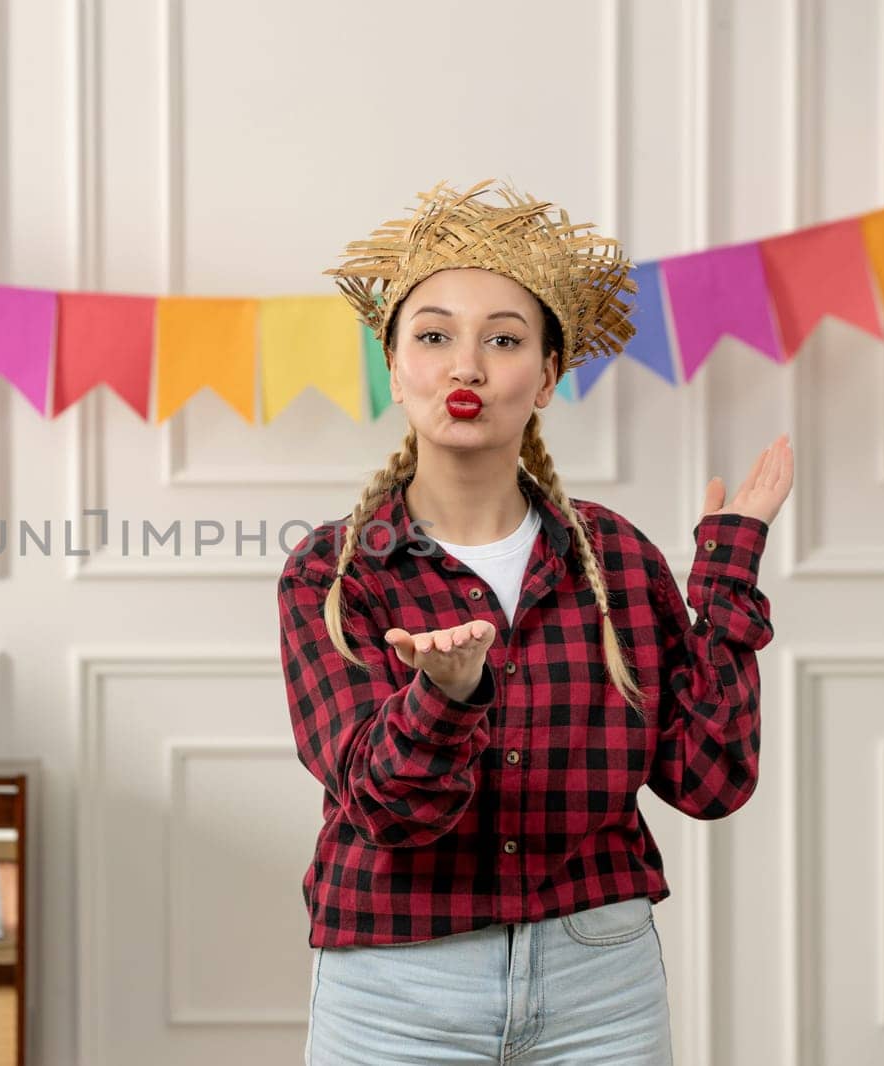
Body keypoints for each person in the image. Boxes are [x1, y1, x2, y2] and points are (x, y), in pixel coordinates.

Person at [279, 178, 794, 1065]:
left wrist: (728, 573)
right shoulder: (333, 572)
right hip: (397, 988)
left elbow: (708, 781)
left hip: (601, 982)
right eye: (434, 336)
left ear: (548, 376)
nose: (466, 366)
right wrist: (447, 697)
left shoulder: (618, 559)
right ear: (395, 366)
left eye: (504, 340)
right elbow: (386, 811)